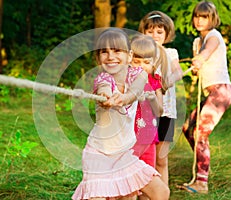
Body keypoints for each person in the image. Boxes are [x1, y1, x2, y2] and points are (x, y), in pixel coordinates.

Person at [72, 28, 170, 200]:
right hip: (99, 155)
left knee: (161, 192)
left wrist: (124, 98)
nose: (110, 56)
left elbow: (135, 90)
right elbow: (103, 89)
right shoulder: (103, 80)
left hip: (125, 154)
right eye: (104, 52)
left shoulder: (138, 74)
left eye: (117, 50)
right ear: (98, 58)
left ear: (130, 56)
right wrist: (105, 98)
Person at [179, 1, 231, 194]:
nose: (199, 20)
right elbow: (198, 68)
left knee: (200, 132)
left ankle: (202, 182)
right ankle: (201, 164)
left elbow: (208, 51)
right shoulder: (196, 42)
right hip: (211, 92)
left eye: (204, 17)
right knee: (188, 128)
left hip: (221, 91)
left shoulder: (214, 36)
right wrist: (195, 67)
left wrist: (200, 58)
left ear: (212, 19)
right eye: (197, 16)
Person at [138, 11, 183, 187]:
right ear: (143, 33)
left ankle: (163, 194)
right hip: (144, 114)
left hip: (166, 112)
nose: (155, 35)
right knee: (144, 156)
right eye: (150, 31)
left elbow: (177, 71)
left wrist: (168, 80)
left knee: (162, 159)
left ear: (166, 34)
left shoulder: (170, 53)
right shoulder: (140, 54)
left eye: (159, 32)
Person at [131, 34, 163, 169]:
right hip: (129, 135)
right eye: (136, 62)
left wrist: (153, 99)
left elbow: (159, 111)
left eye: (146, 62)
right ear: (128, 59)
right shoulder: (125, 80)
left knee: (148, 169)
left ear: (154, 62)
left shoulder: (155, 81)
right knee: (130, 170)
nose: (141, 67)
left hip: (148, 135)